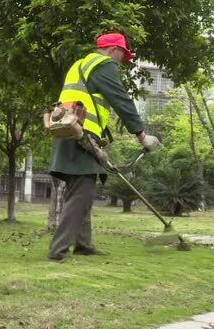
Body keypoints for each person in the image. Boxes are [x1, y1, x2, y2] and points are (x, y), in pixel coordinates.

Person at [48, 33, 160, 261]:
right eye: (122, 54)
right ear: (111, 50)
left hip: (67, 133)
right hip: (81, 136)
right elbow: (121, 100)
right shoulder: (104, 65)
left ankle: (83, 244)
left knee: (81, 192)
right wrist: (142, 136)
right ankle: (57, 251)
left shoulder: (80, 64)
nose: (122, 60)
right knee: (81, 194)